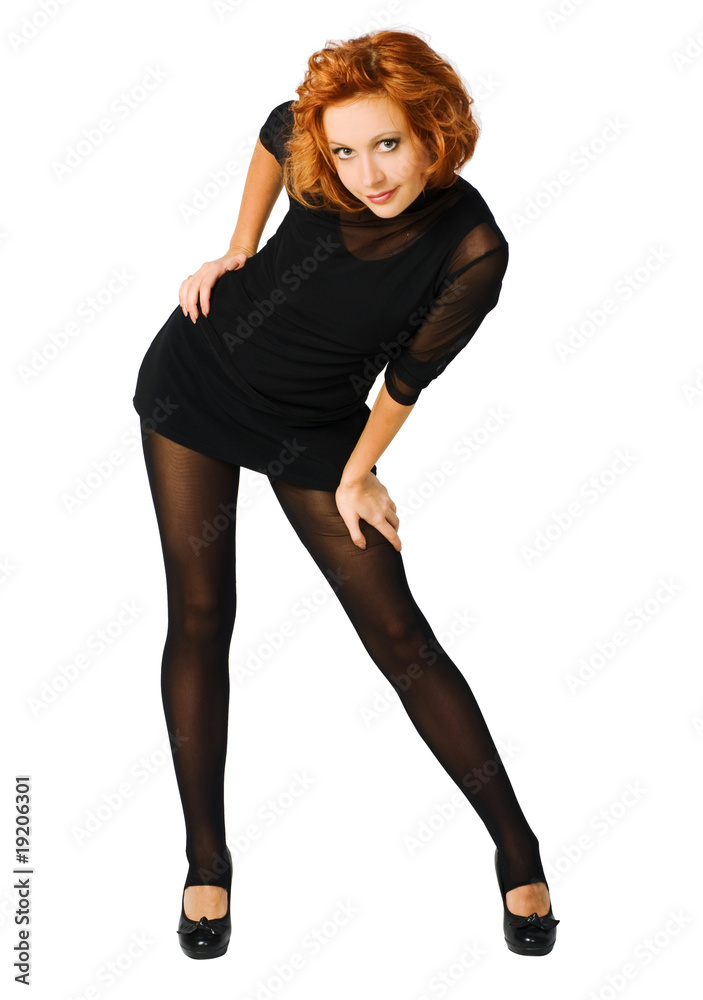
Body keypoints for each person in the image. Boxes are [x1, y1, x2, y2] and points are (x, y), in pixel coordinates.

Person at [132, 27, 559, 960]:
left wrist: (356, 472)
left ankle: (517, 850)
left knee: (400, 637)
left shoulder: (471, 248)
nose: (367, 174)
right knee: (199, 617)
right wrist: (236, 251)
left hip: (318, 424)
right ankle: (206, 861)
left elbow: (405, 381)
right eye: (346, 151)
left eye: (389, 144)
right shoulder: (314, 146)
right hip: (195, 383)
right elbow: (274, 129)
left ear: (433, 127)